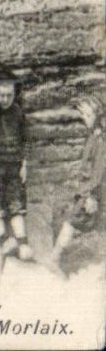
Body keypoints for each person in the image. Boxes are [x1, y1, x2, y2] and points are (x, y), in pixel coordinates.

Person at [48, 96, 105, 276]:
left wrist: (91, 196)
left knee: (75, 219)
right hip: (87, 189)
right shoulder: (93, 136)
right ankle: (57, 258)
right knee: (74, 218)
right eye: (84, 114)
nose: (85, 118)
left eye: (88, 115)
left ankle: (55, 258)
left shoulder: (101, 140)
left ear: (98, 116)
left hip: (95, 191)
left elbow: (99, 171)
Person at [0, 68, 33, 261]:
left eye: (9, 95)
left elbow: (26, 139)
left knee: (16, 202)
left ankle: (23, 242)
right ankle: (4, 240)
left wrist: (24, 164)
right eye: (2, 95)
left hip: (13, 165)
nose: (5, 99)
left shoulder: (18, 113)